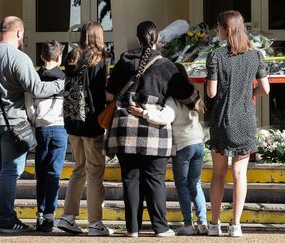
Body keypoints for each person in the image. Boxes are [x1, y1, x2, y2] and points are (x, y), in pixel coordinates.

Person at [105, 21, 200, 237]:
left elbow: (109, 96)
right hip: (154, 131)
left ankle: (133, 229)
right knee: (154, 179)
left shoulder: (124, 60)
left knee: (130, 179)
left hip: (124, 128)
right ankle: (160, 227)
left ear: (138, 39)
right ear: (157, 39)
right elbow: (188, 95)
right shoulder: (167, 65)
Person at [0, 16, 65, 233]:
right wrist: (62, 83)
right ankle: (6, 220)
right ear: (19, 33)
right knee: (10, 170)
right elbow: (37, 89)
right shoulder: (19, 57)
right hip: (13, 123)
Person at [205, 10, 270, 237]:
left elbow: (212, 93)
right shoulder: (256, 56)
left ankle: (214, 224)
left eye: (218, 26)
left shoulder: (216, 56)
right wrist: (248, 92)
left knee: (218, 175)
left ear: (227, 29)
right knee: (240, 174)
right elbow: (265, 88)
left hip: (222, 119)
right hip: (244, 119)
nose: (216, 30)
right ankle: (236, 225)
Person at [128, 64, 208, 236]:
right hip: (198, 143)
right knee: (196, 184)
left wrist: (143, 113)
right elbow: (201, 110)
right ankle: (203, 222)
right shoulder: (193, 95)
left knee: (182, 186)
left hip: (183, 146)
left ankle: (188, 224)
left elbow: (165, 117)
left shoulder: (173, 100)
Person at [57, 22, 113, 236]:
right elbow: (100, 93)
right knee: (95, 173)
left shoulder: (72, 55)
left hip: (72, 123)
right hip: (91, 122)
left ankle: (68, 217)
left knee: (79, 169)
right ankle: (95, 223)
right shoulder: (99, 58)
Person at [25, 40, 68, 232]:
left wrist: (37, 120)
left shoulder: (34, 78)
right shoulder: (65, 79)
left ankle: (40, 216)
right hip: (60, 129)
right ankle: (50, 217)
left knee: (41, 174)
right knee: (54, 173)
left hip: (41, 130)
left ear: (41, 57)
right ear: (59, 57)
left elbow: (29, 106)